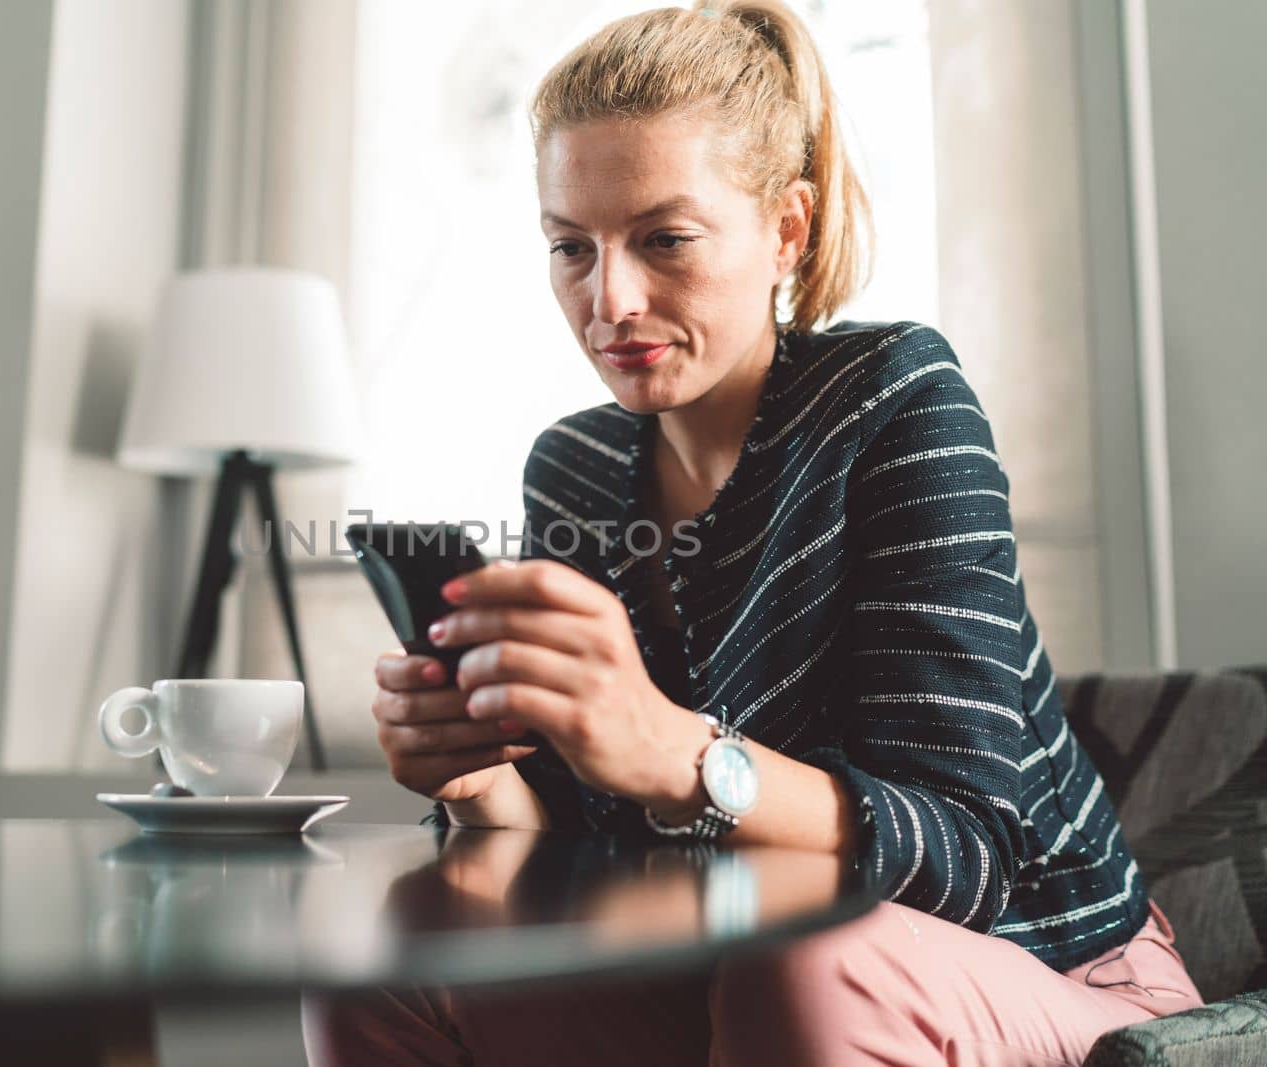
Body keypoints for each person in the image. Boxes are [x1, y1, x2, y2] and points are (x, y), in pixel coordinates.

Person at [304, 2, 1204, 1063]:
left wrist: (675, 750)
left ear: (785, 228)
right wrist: (478, 775)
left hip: (1049, 965)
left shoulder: (895, 399)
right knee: (390, 952)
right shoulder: (575, 466)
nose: (612, 299)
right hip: (737, 964)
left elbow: (965, 856)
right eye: (569, 247)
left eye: (664, 239)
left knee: (803, 959)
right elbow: (574, 840)